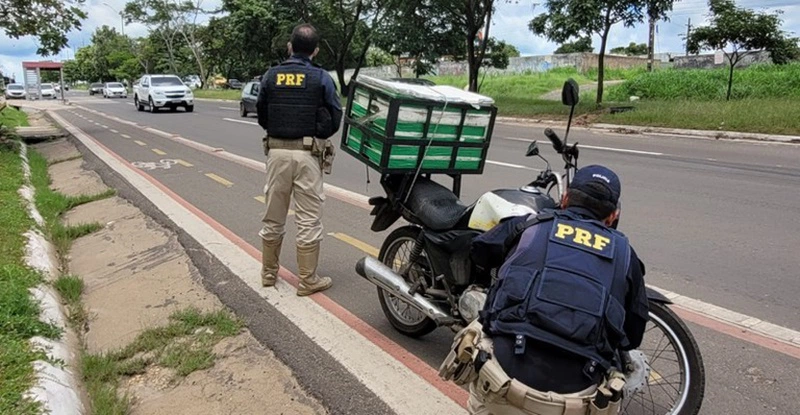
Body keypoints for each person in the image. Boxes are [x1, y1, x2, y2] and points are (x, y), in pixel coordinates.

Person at [442, 165, 649, 415]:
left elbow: (480, 251)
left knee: (478, 328)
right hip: (576, 402)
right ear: (613, 216)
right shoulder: (626, 255)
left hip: (503, 387)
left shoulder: (531, 225)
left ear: (564, 200)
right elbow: (632, 336)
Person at [256, 23, 343, 296]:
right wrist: (316, 132)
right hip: (308, 155)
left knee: (273, 216)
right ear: (315, 51)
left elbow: (261, 115)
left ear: (289, 47)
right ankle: (307, 280)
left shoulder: (271, 76)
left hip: (277, 153)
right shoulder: (321, 78)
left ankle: (269, 274)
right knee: (308, 220)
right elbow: (335, 116)